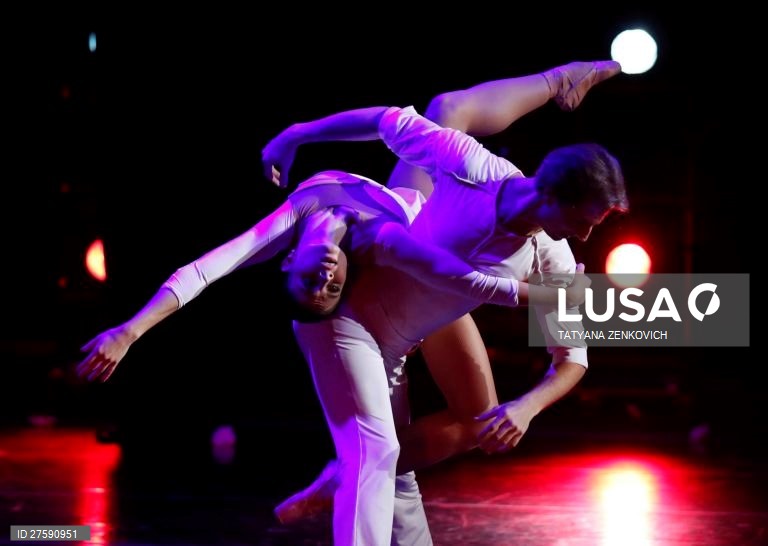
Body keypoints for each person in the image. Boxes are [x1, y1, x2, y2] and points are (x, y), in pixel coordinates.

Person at [261, 59, 627, 545]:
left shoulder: (554, 257)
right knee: (446, 108)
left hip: (429, 307)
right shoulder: (477, 169)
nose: (586, 235)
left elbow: (573, 359)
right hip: (388, 250)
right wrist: (296, 135)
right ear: (552, 193)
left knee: (476, 424)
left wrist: (527, 407)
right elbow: (383, 120)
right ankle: (557, 81)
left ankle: (337, 480)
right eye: (586, 219)